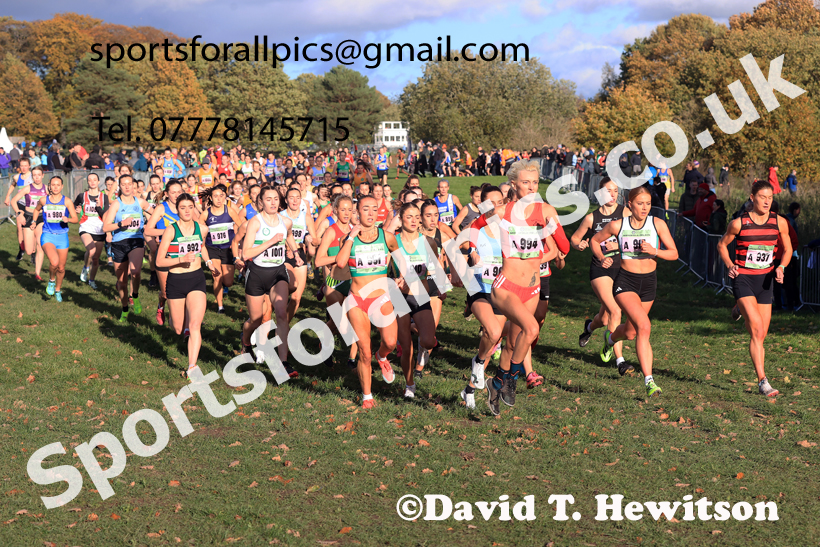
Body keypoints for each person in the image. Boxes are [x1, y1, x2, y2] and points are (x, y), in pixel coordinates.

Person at [469, 160, 570, 414]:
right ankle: (512, 378)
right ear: (513, 184)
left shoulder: (546, 210)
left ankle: (497, 382)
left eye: (535, 182)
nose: (532, 187)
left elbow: (562, 248)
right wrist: (472, 249)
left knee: (513, 344)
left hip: (532, 288)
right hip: (506, 286)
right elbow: (474, 226)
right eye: (526, 182)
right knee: (532, 328)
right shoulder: (503, 212)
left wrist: (549, 232)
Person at [595, 186, 679, 398]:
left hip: (649, 283)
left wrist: (655, 251)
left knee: (631, 332)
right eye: (640, 203)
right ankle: (649, 381)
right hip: (626, 282)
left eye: (648, 203)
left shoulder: (657, 224)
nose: (644, 208)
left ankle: (611, 339)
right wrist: (602, 256)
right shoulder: (617, 225)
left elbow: (674, 254)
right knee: (644, 326)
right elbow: (596, 241)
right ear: (629, 204)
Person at [717, 181, 791, 396]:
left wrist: (782, 267)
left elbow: (787, 249)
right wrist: (730, 264)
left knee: (762, 334)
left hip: (766, 281)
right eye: (762, 197)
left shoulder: (780, 222)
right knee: (757, 329)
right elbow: (722, 245)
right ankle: (762, 381)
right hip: (744, 280)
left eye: (770, 197)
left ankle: (738, 308)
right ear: (752, 197)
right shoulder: (739, 224)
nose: (767, 201)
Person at [335, 196, 400, 408]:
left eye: (374, 209)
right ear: (358, 212)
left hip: (380, 298)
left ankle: (382, 358)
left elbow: (401, 261)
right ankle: (367, 396)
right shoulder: (348, 237)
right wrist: (351, 237)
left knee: (390, 342)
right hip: (357, 301)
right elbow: (341, 262)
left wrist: (401, 276)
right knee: (364, 350)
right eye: (365, 209)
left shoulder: (387, 237)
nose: (371, 213)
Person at [572, 177, 632, 375]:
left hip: (621, 268)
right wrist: (579, 244)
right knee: (616, 311)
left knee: (604, 318)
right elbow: (575, 238)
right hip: (600, 269)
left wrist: (620, 244)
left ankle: (589, 327)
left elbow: (635, 235)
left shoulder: (624, 212)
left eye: (615, 191)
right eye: (608, 191)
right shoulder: (592, 218)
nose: (613, 194)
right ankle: (620, 361)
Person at [241, 186, 302, 377]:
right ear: (261, 202)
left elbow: (289, 236)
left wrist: (297, 254)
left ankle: (283, 363)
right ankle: (245, 343)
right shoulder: (255, 223)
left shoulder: (286, 221)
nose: (273, 202)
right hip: (257, 274)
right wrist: (270, 242)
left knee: (281, 313)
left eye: (276, 198)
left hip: (277, 272)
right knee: (256, 319)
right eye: (269, 199)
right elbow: (246, 253)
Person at [156, 193, 218, 377]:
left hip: (196, 279)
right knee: (177, 328)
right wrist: (180, 259)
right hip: (175, 281)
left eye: (190, 207)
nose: (187, 211)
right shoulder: (171, 230)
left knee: (195, 325)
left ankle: (192, 367)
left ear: (194, 208)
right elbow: (159, 261)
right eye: (182, 208)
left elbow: (202, 247)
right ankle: (162, 303)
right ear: (177, 210)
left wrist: (208, 263)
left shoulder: (202, 228)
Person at [459, 186, 509, 408]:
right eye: (492, 203)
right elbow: (459, 245)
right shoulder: (476, 228)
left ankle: (469, 389)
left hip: (499, 290)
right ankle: (477, 362)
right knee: (494, 331)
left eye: (501, 202)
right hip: (477, 287)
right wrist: (470, 252)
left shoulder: (508, 229)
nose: (497, 206)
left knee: (491, 343)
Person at [392, 202, 439, 399]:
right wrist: (393, 282)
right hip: (399, 296)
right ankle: (409, 384)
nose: (413, 220)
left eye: (416, 216)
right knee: (406, 346)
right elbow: (383, 271)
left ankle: (415, 326)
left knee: (428, 340)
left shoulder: (429, 242)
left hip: (419, 294)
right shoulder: (392, 241)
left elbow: (435, 274)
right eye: (408, 216)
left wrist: (423, 286)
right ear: (401, 218)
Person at [314, 195, 358, 369]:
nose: (346, 213)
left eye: (350, 210)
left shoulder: (355, 230)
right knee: (338, 323)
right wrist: (340, 257)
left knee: (355, 320)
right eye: (343, 209)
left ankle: (352, 360)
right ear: (335, 211)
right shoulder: (331, 231)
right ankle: (323, 344)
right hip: (334, 283)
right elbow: (318, 261)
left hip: (353, 281)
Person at [103, 175, 154, 322]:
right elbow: (106, 226)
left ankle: (135, 295)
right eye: (123, 184)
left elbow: (156, 213)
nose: (127, 187)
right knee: (122, 282)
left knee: (136, 271)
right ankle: (125, 309)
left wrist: (151, 224)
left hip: (136, 240)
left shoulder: (140, 202)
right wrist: (120, 224)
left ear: (134, 186)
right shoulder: (116, 205)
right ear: (120, 187)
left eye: (129, 184)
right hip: (119, 243)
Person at [31, 176, 79, 301]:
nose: (56, 187)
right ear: (49, 186)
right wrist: (34, 221)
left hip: (62, 237)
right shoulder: (44, 200)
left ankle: (58, 289)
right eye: (53, 185)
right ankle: (51, 280)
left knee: (61, 268)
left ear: (62, 186)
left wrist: (68, 219)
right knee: (54, 262)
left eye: (58, 185)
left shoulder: (67, 201)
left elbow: (75, 218)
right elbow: (36, 210)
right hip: (47, 235)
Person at [200, 184, 242, 313]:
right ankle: (220, 306)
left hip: (228, 249)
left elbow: (241, 227)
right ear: (211, 198)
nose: (219, 199)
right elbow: (199, 233)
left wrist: (237, 243)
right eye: (215, 196)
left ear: (225, 197)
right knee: (217, 277)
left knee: (228, 282)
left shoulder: (229, 211)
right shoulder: (205, 214)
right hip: (212, 249)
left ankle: (224, 286)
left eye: (221, 196)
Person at [282, 186, 317, 322]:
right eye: (291, 198)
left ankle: (283, 324)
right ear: (286, 200)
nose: (295, 201)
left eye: (298, 198)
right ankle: (275, 301)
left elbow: (315, 240)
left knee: (296, 298)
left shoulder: (306, 217)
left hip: (300, 254)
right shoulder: (281, 216)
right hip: (284, 254)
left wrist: (309, 240)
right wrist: (288, 247)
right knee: (292, 286)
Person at [9, 165, 47, 280]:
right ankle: (29, 242)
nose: (36, 177)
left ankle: (37, 274)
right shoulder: (27, 188)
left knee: (40, 246)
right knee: (29, 250)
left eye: (38, 175)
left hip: (41, 218)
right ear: (32, 176)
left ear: (42, 176)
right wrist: (19, 213)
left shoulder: (47, 188)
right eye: (34, 175)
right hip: (28, 217)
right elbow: (13, 201)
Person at [74, 173, 110, 290]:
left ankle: (92, 280)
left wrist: (99, 207)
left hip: (99, 229)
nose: (93, 182)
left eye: (95, 180)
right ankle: (85, 267)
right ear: (87, 182)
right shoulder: (82, 196)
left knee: (95, 259)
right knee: (91, 250)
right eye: (90, 180)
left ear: (99, 181)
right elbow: (74, 206)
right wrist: (77, 209)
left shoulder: (104, 197)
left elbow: (106, 215)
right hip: (85, 226)